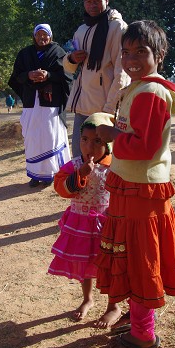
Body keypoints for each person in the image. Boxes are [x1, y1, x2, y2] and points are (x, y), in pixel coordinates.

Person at [95, 20, 175, 348]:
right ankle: (135, 319)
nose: (132, 58)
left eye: (141, 51)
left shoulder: (149, 92)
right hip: (132, 187)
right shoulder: (139, 86)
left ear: (159, 54)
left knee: (139, 261)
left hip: (141, 193)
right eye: (127, 51)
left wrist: (113, 136)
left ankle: (143, 335)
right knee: (134, 257)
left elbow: (144, 146)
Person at [48, 112, 121, 327]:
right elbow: (61, 187)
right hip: (80, 224)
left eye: (97, 141)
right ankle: (87, 299)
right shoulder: (73, 165)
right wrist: (79, 174)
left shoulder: (114, 167)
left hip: (106, 225)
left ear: (108, 145)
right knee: (85, 262)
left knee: (109, 265)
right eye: (84, 140)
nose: (89, 146)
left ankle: (113, 306)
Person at [63, 0, 130, 157]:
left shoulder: (117, 27)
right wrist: (71, 58)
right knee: (80, 155)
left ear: (106, 1)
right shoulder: (81, 30)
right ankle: (82, 185)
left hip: (103, 107)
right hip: (83, 104)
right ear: (83, 4)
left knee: (103, 159)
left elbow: (122, 72)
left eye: (97, 0)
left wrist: (109, 110)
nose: (92, 5)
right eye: (88, 1)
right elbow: (70, 68)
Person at [8, 24, 71, 188]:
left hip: (51, 103)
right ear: (34, 36)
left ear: (51, 36)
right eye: (39, 35)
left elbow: (66, 76)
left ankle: (51, 174)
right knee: (32, 138)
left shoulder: (59, 53)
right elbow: (16, 76)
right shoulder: (24, 54)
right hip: (31, 102)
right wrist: (29, 75)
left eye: (45, 35)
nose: (42, 38)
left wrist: (48, 75)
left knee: (50, 137)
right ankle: (35, 175)